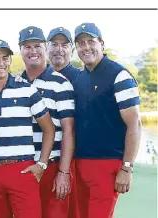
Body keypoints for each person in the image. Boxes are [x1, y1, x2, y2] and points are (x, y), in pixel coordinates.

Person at [0, 39, 55, 218]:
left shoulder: (27, 90)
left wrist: (42, 164)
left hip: (22, 170)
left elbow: (49, 129)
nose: (1, 63)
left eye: (5, 58)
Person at [72, 22, 142, 218]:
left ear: (102, 43)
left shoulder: (119, 76)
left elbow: (134, 124)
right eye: (80, 43)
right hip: (80, 163)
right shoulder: (80, 77)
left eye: (91, 41)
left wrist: (126, 167)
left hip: (107, 165)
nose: (86, 47)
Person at [18, 26, 76, 218]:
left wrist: (64, 173)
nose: (32, 51)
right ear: (20, 50)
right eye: (27, 46)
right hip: (22, 167)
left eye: (37, 46)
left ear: (45, 48)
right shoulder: (14, 83)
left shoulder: (61, 83)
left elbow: (68, 131)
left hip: (51, 167)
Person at [46, 26, 81, 218]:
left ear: (72, 49)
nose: (59, 49)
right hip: (49, 159)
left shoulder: (81, 78)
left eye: (64, 45)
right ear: (46, 47)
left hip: (76, 159)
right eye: (54, 44)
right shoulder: (35, 78)